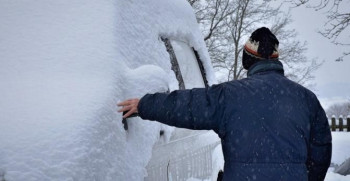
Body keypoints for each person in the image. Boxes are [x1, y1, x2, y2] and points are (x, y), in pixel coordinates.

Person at [118, 27, 332, 181]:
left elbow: (186, 105)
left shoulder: (229, 96)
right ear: (275, 60)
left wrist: (145, 105)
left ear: (247, 60)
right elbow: (321, 153)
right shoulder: (307, 99)